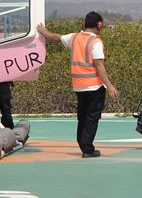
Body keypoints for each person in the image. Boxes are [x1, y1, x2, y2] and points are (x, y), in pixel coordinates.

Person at [37, 11, 119, 158]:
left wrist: (43, 32)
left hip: (79, 85)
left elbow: (56, 38)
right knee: (92, 117)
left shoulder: (74, 37)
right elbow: (99, 65)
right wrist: (109, 86)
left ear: (84, 24)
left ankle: (83, 144)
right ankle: (87, 149)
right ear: (99, 26)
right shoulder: (96, 42)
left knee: (82, 116)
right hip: (94, 86)